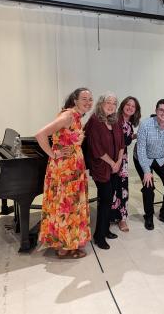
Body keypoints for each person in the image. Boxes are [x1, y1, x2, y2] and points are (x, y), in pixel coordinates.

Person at [36, 87, 93, 259]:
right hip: (65, 169)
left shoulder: (77, 117)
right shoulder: (68, 115)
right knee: (66, 205)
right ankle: (65, 246)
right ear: (75, 100)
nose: (88, 102)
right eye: (84, 98)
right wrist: (53, 154)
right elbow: (40, 134)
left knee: (66, 206)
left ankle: (65, 245)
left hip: (73, 167)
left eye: (90, 99)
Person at [84, 92, 125, 250]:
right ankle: (99, 236)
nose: (111, 105)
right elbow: (96, 148)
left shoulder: (115, 121)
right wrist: (112, 162)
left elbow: (122, 143)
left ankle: (106, 230)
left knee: (109, 199)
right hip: (101, 167)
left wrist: (119, 161)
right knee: (105, 200)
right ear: (101, 103)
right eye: (108, 102)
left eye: (114, 103)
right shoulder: (95, 120)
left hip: (115, 166)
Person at [134, 99, 164, 230]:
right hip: (143, 158)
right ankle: (148, 216)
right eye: (161, 110)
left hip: (161, 158)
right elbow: (141, 149)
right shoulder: (145, 125)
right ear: (156, 111)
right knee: (148, 186)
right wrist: (146, 171)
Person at [116, 96, 141, 232]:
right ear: (123, 105)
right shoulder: (115, 120)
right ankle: (111, 216)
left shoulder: (130, 123)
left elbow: (126, 138)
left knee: (123, 189)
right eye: (128, 104)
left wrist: (135, 136)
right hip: (113, 158)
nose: (130, 107)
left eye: (133, 106)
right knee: (112, 189)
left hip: (123, 160)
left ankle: (122, 219)